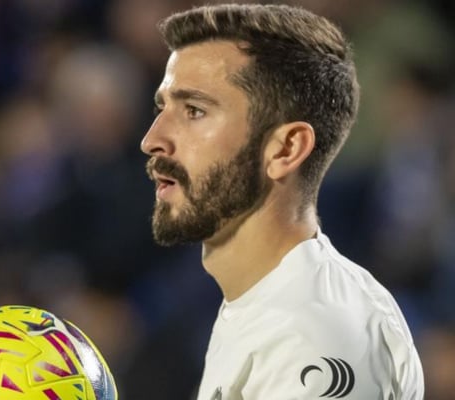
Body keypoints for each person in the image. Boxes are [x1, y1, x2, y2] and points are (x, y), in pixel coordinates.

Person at [140, 3, 424, 399]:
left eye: (194, 110)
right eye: (162, 107)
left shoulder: (314, 337)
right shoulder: (264, 304)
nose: (152, 140)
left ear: (286, 149)